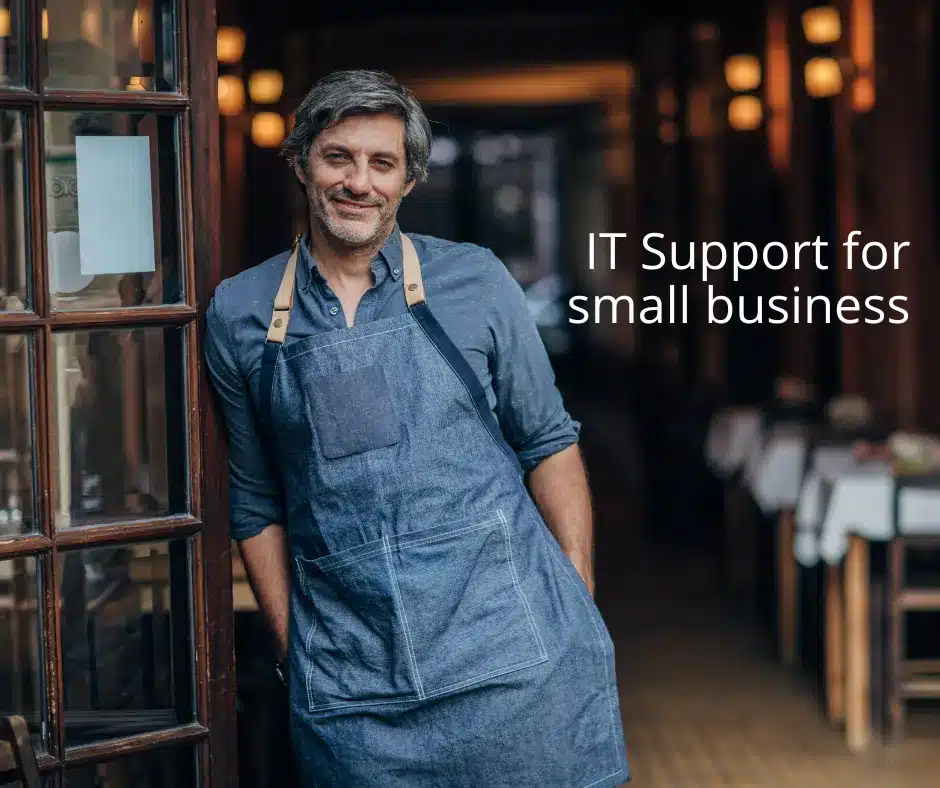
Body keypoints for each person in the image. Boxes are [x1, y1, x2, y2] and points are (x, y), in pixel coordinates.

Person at [205, 69, 629, 788]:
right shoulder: (240, 313)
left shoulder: (477, 281)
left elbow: (548, 441)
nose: (357, 182)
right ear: (302, 161)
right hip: (355, 688)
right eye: (338, 156)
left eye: (382, 163)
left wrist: (574, 596)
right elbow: (255, 504)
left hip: (516, 663)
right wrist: (292, 651)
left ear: (410, 180)